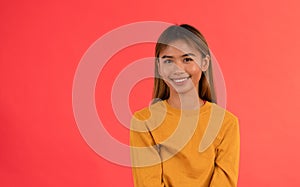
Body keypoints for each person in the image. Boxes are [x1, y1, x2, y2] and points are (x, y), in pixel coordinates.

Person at [130, 24, 240, 187]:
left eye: (187, 59)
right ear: (159, 67)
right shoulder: (144, 122)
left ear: (204, 63)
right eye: (168, 61)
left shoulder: (226, 123)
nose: (178, 69)